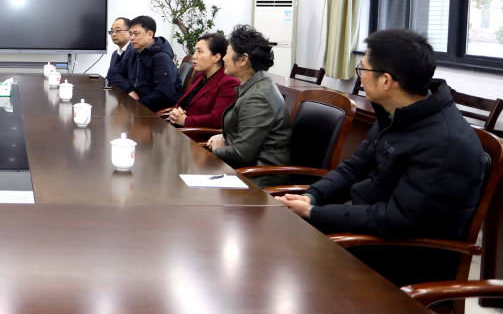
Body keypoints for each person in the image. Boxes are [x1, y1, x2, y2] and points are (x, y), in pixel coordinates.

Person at [277, 28, 489, 287]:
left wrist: (316, 214)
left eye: (362, 70)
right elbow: (355, 168)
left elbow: (399, 220)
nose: (361, 77)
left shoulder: (446, 143)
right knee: (277, 237)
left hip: (402, 259)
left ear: (386, 81)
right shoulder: (396, 114)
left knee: (283, 258)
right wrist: (312, 196)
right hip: (370, 235)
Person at [208, 25, 291, 184]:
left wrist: (218, 149)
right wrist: (224, 137)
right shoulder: (256, 86)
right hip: (245, 171)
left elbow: (241, 154)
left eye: (227, 53)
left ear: (243, 60)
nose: (224, 59)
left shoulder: (258, 97)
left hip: (258, 179)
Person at [107, 15, 183, 112]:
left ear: (150, 34)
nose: (132, 37)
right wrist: (130, 90)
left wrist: (136, 105)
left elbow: (163, 94)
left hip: (159, 110)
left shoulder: (161, 57)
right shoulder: (133, 53)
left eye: (136, 34)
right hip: (140, 105)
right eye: (130, 34)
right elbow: (112, 74)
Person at [165, 33, 239, 129]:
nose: (194, 56)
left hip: (194, 134)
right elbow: (185, 103)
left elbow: (217, 120)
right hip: (178, 128)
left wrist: (185, 121)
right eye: (195, 51)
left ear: (216, 57)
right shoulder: (201, 75)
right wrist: (176, 112)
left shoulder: (229, 82)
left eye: (199, 52)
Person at [105, 16, 132, 84]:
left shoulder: (134, 52)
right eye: (112, 31)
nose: (113, 34)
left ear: (129, 32)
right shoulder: (115, 54)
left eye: (117, 31)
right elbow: (109, 76)